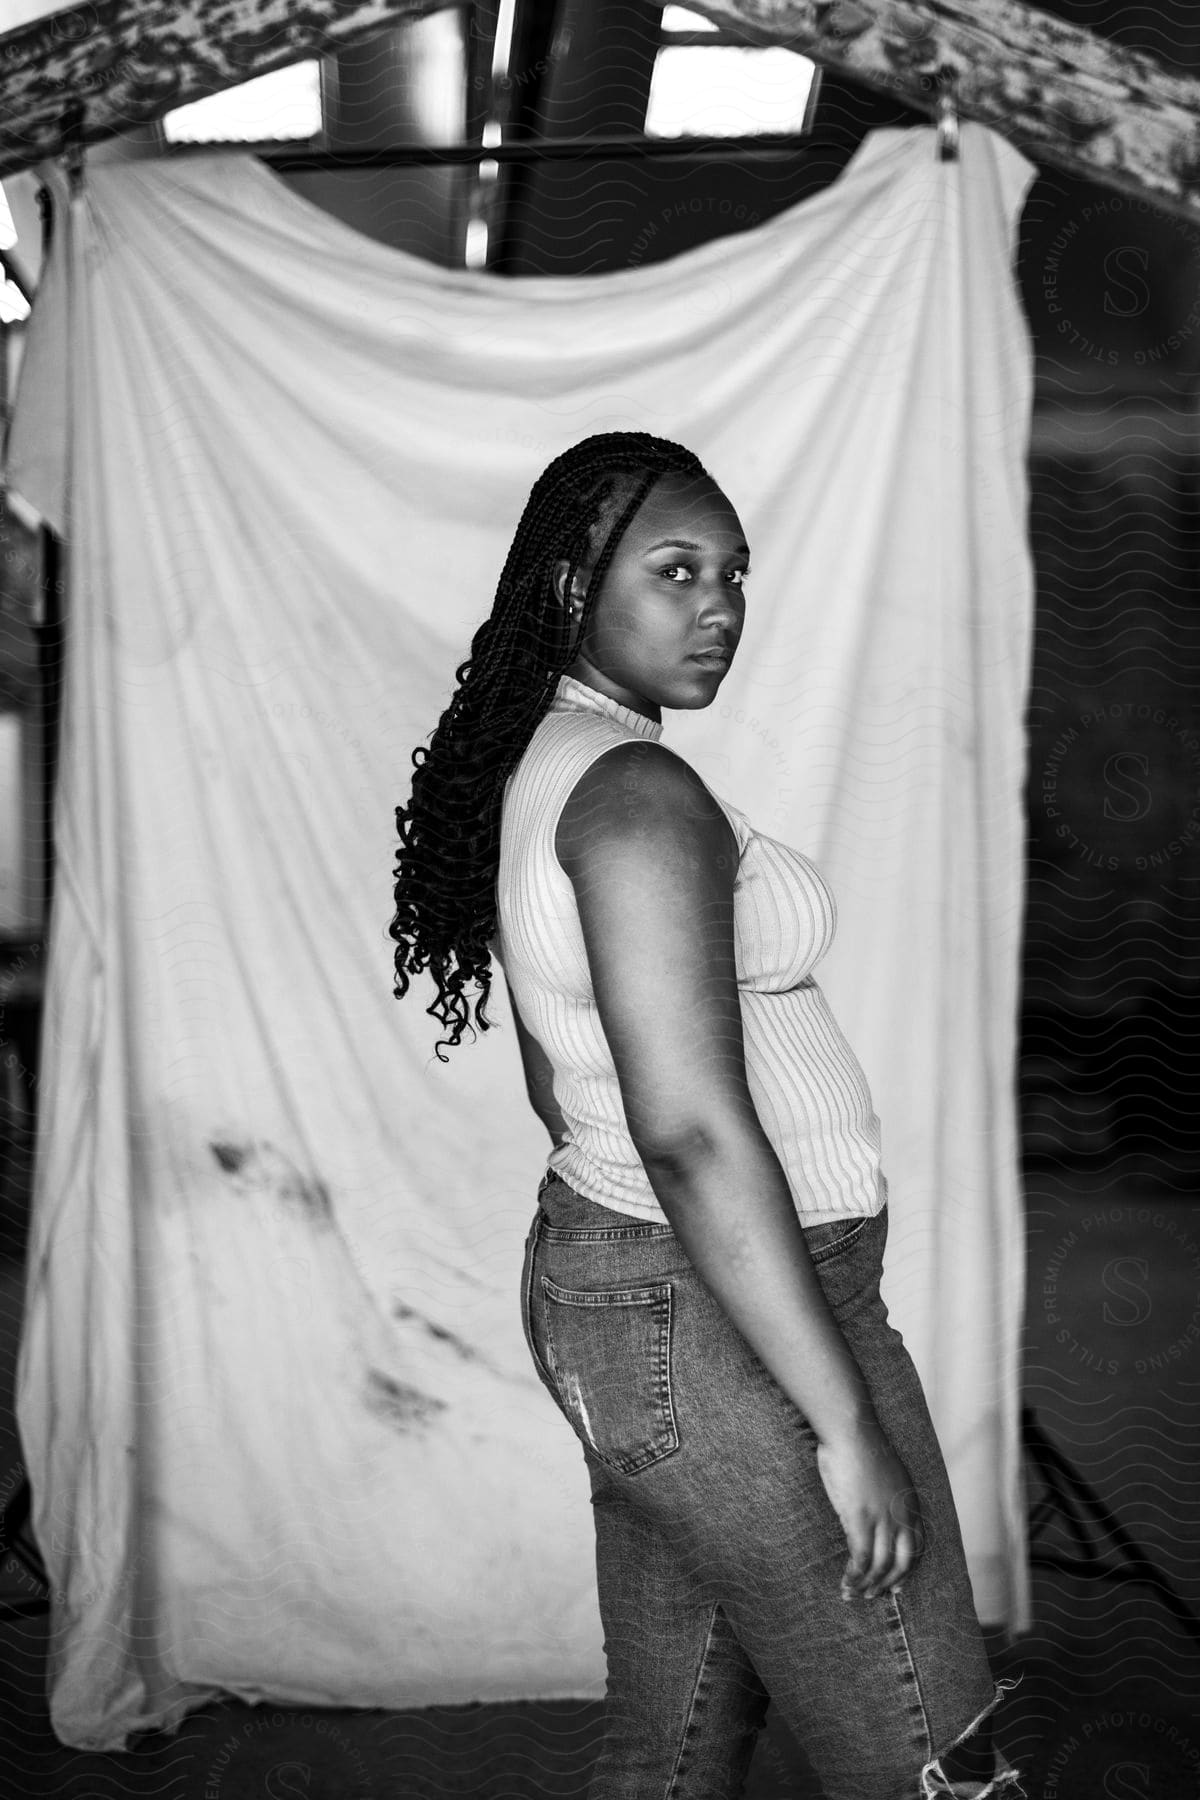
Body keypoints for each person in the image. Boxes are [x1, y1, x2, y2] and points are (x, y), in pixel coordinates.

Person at [391, 431, 1023, 1799]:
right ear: (569, 592)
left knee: (672, 1744)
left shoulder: (565, 761)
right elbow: (680, 1128)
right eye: (676, 571)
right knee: (934, 1756)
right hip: (720, 1311)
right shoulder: (631, 792)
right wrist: (842, 1422)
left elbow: (566, 1078)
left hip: (658, 1303)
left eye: (735, 573)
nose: (722, 605)